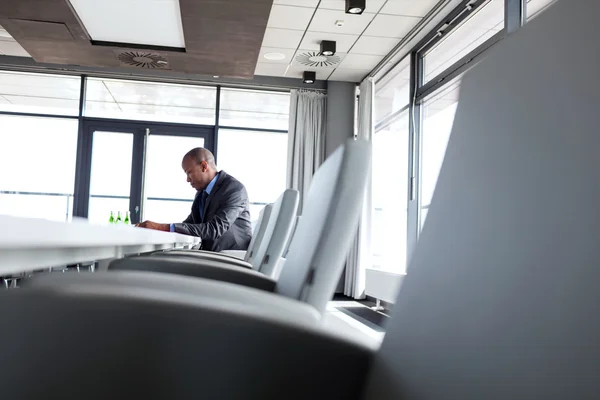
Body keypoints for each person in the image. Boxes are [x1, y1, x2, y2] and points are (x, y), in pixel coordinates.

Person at [137, 148, 252, 252]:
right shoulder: (202, 193)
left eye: (189, 173)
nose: (187, 179)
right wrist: (157, 230)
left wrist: (160, 227)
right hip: (211, 254)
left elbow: (214, 229)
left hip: (230, 258)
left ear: (204, 166)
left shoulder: (234, 189)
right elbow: (189, 223)